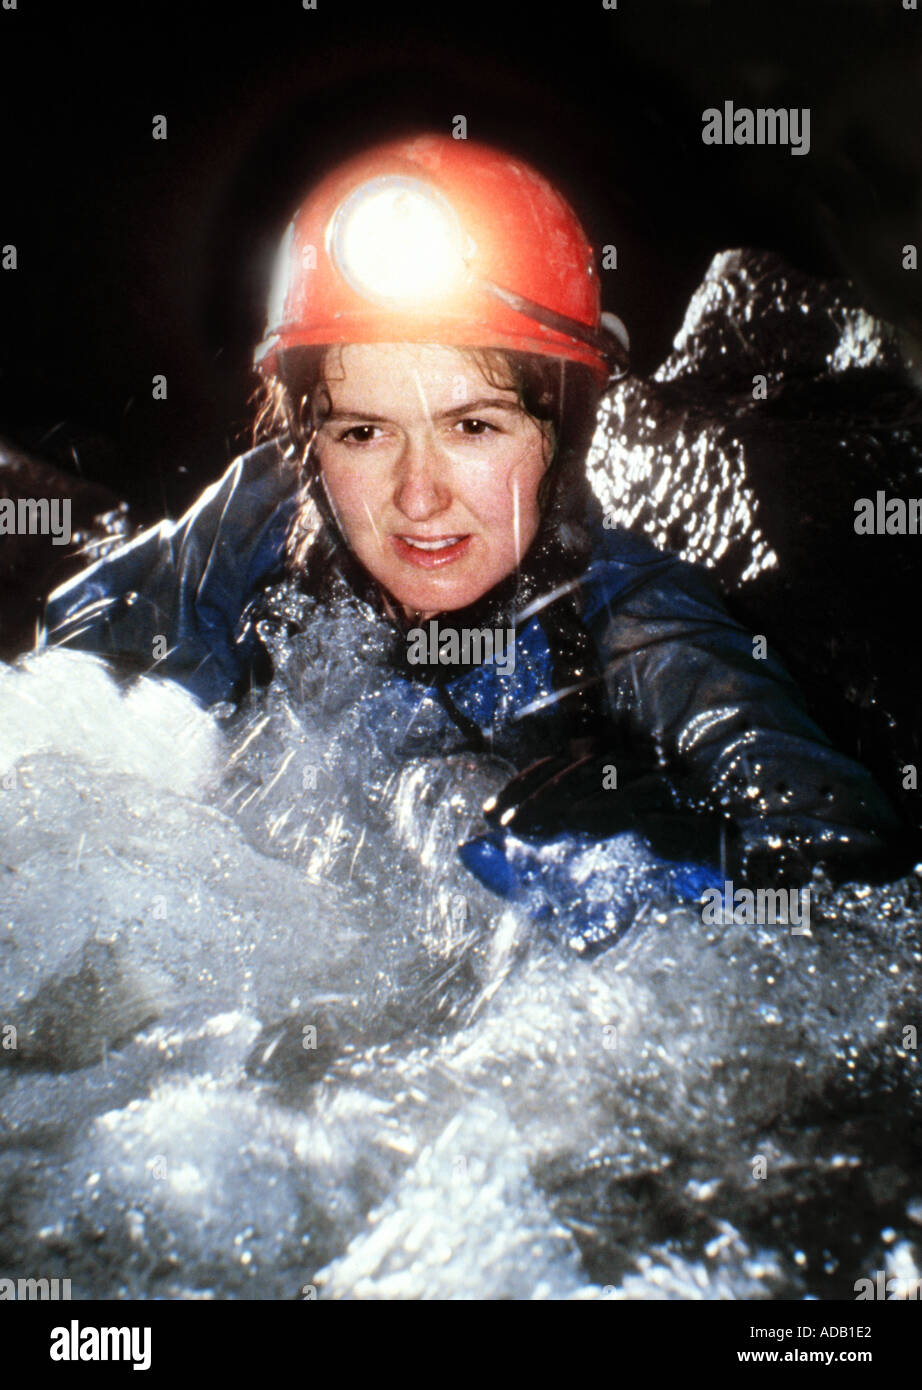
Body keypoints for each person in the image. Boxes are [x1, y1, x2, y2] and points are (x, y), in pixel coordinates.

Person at [40, 133, 902, 955]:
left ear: (562, 431)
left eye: (474, 426)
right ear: (306, 439)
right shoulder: (263, 516)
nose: (419, 497)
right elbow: (71, 676)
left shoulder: (632, 623)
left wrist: (691, 862)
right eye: (365, 434)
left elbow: (854, 881)